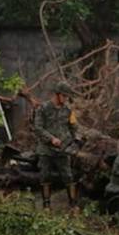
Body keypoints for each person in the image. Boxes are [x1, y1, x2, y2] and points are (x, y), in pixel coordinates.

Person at [33, 81, 79, 209]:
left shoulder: (68, 110)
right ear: (57, 94)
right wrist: (51, 139)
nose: (66, 99)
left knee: (68, 176)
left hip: (63, 149)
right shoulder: (43, 108)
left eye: (67, 97)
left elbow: (74, 127)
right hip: (46, 149)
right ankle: (46, 206)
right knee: (45, 176)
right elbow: (38, 128)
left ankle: (73, 205)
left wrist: (75, 140)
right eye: (64, 96)